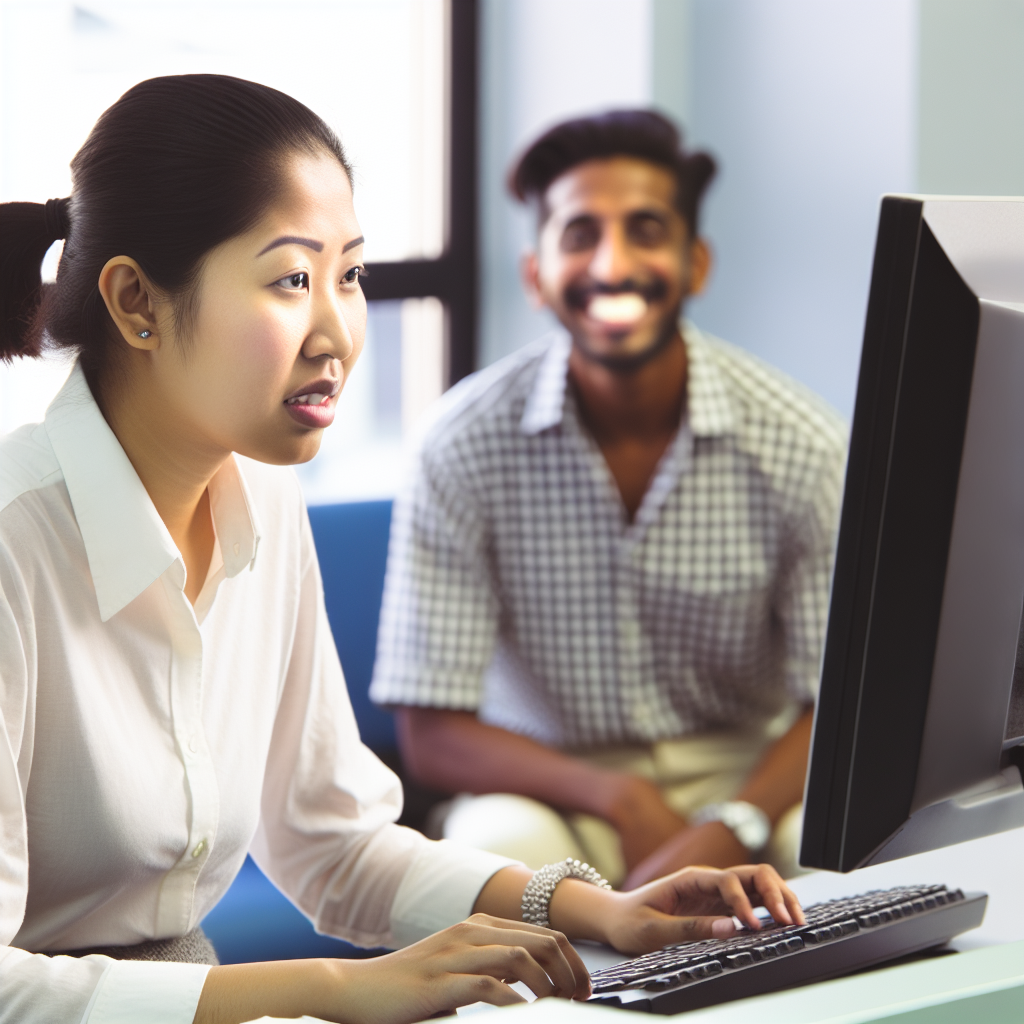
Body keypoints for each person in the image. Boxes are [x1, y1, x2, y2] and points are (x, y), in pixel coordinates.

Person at [0, 77, 804, 1024]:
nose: (338, 331)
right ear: (136, 301)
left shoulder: (262, 492)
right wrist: (336, 988)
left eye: (350, 275)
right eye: (292, 280)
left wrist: (607, 913)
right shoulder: (16, 544)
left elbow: (334, 842)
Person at [370, 110, 847, 891]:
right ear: (536, 275)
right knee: (496, 845)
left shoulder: (803, 444)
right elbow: (430, 731)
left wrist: (733, 826)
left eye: (646, 230)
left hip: (747, 774)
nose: (613, 264)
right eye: (580, 234)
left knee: (819, 846)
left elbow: (833, 704)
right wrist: (617, 796)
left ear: (696, 264)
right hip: (554, 781)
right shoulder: (459, 443)